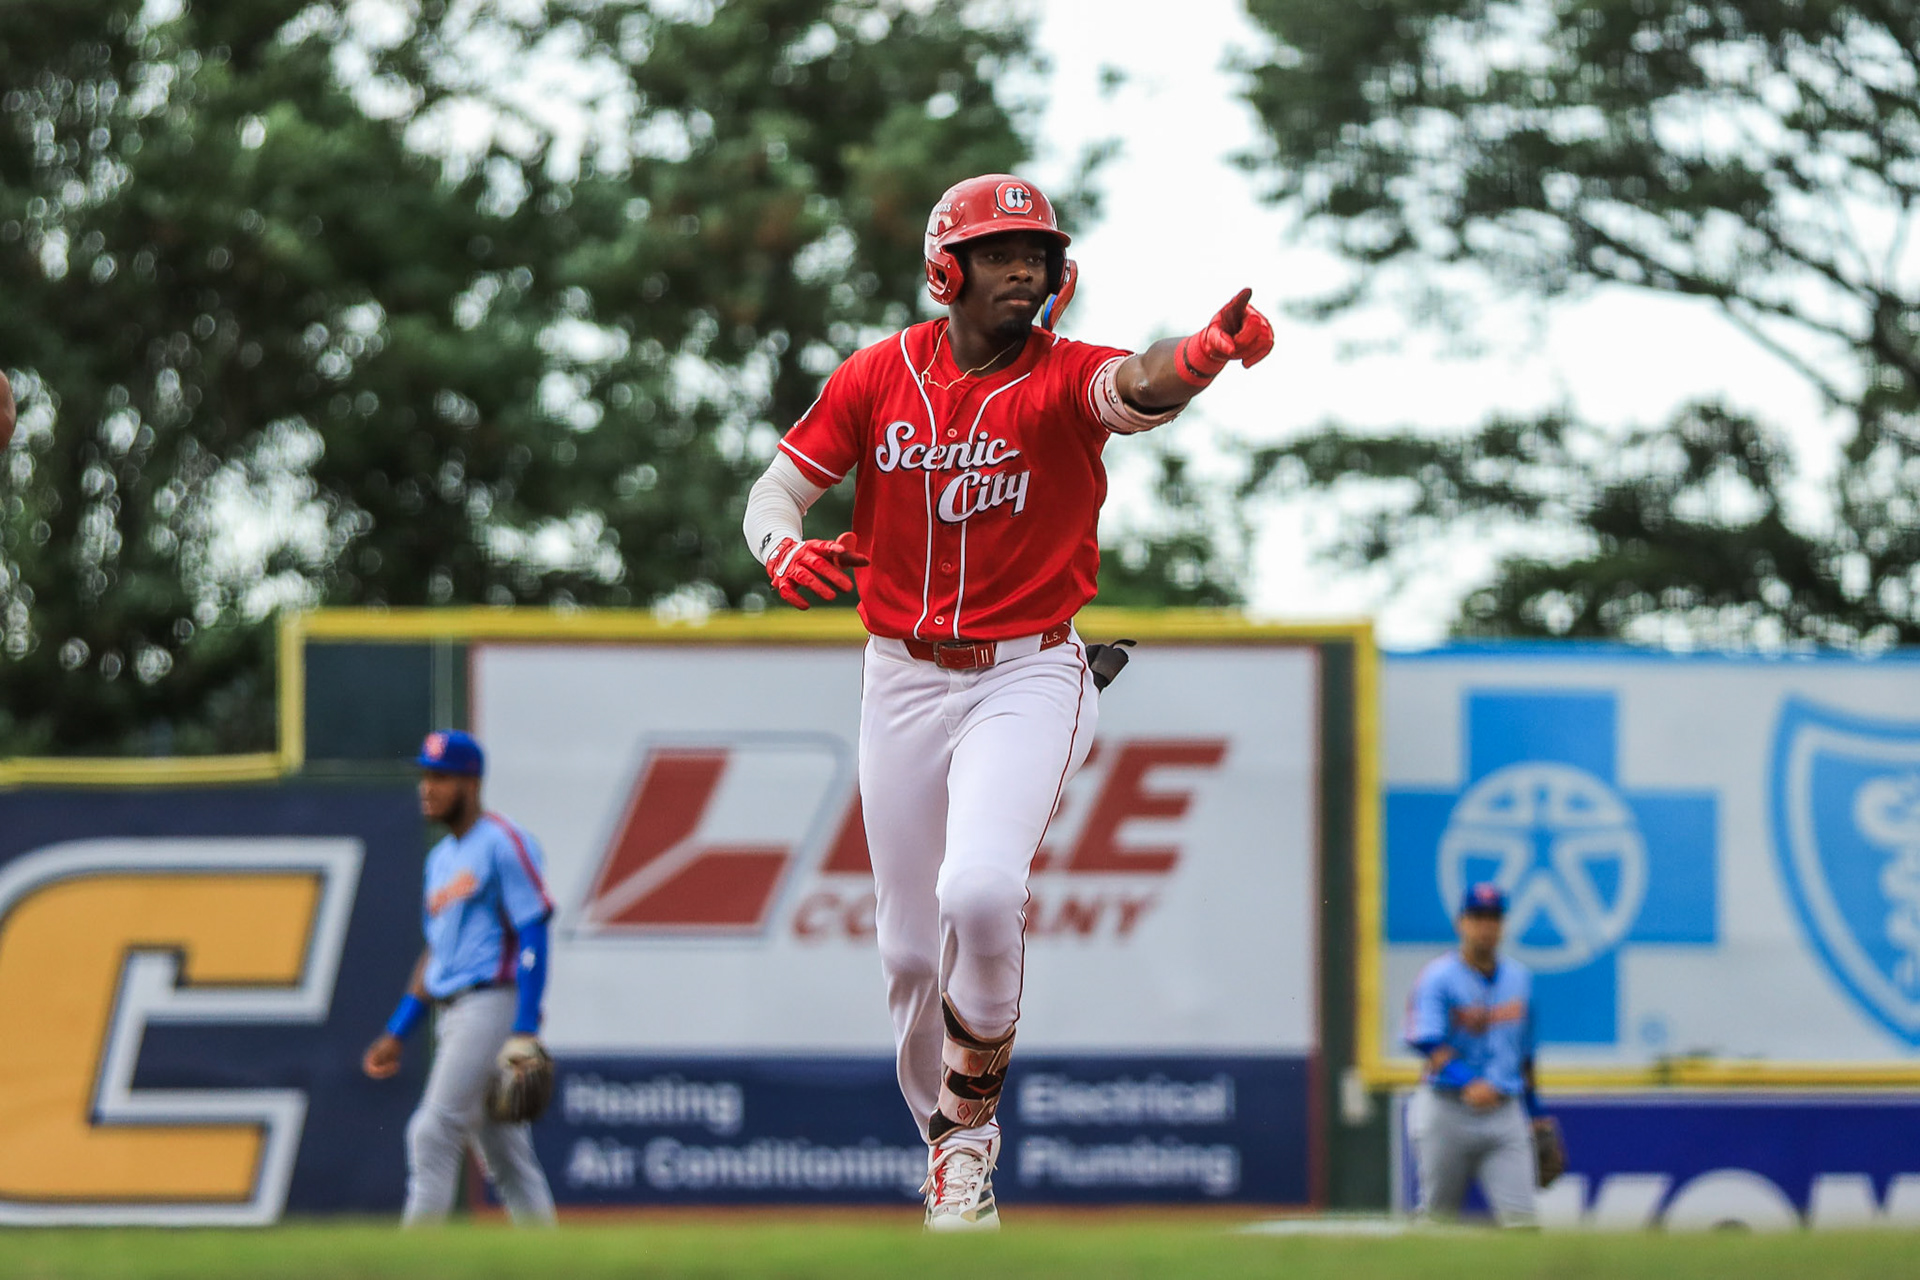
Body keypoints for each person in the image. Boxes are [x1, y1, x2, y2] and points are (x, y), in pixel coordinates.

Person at [740, 173, 1273, 1230]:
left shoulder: (1061, 375)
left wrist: (1201, 358)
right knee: (903, 953)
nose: (1023, 266)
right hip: (898, 672)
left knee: (979, 890)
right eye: (998, 251)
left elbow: (1138, 384)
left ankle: (968, 1143)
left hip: (1028, 669)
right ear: (948, 269)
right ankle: (948, 1151)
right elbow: (777, 489)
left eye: (1037, 251)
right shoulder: (878, 373)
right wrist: (780, 547)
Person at [363, 729, 558, 1225]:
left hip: (491, 1004)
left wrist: (526, 1027)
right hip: (453, 1010)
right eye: (425, 777)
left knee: (432, 1132)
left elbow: (533, 929)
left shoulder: (502, 842)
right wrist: (398, 1029)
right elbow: (438, 954)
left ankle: (413, 1265)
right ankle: (554, 1263)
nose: (426, 788)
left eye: (440, 778)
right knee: (507, 1157)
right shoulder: (440, 860)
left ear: (470, 784)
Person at [1404, 882, 1551, 1227]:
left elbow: (1524, 1056)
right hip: (1447, 1108)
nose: (1486, 925)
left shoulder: (1520, 979)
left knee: (1523, 1223)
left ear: (1502, 925)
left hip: (1504, 1112)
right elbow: (1425, 1040)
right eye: (1478, 916)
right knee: (1437, 1219)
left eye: (1493, 917)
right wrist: (1468, 1082)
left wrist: (1536, 1112)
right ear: (1461, 923)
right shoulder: (1438, 977)